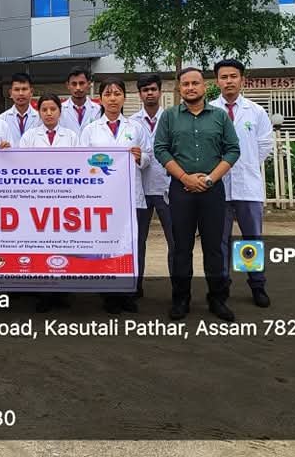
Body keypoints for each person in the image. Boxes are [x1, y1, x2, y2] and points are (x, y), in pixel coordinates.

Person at [154, 67, 240, 322]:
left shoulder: (220, 116)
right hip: (180, 191)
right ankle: (181, 299)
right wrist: (185, 178)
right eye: (185, 84)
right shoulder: (169, 117)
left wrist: (210, 178)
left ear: (204, 86)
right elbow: (161, 149)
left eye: (195, 83)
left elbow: (233, 150)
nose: (190, 88)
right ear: (179, 89)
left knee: (214, 247)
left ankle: (217, 299)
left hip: (213, 191)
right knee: (182, 247)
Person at [78, 77, 150, 314]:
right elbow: (81, 163)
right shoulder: (90, 130)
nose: (112, 99)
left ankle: (128, 293)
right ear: (100, 99)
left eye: (117, 94)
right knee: (107, 245)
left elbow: (149, 157)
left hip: (130, 196)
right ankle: (109, 294)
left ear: (124, 98)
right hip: (102, 198)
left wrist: (140, 157)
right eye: (108, 94)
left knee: (130, 245)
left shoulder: (136, 127)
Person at [211, 58, 274, 308]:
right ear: (217, 81)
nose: (229, 81)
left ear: (242, 80)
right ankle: (222, 286)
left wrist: (245, 164)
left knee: (251, 239)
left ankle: (257, 285)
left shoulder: (256, 111)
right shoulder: (209, 111)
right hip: (218, 187)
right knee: (219, 241)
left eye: (233, 76)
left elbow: (264, 145)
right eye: (224, 77)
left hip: (248, 186)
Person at [19, 93, 78, 312]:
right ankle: (43, 294)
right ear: (39, 112)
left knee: (63, 246)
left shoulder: (71, 137)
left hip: (65, 201)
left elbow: (79, 166)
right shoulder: (29, 137)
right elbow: (21, 167)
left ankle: (62, 294)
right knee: (41, 247)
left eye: (53, 109)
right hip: (38, 200)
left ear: (60, 111)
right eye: (44, 109)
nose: (49, 113)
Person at [130, 74, 175, 289]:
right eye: (145, 90)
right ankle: (135, 286)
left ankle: (178, 288)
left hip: (167, 188)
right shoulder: (131, 123)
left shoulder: (172, 118)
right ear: (140, 94)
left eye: (153, 89)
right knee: (137, 241)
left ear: (160, 92)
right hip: (140, 189)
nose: (149, 93)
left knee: (175, 241)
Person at [0, 72, 42, 147]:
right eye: (17, 89)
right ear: (11, 93)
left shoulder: (40, 119)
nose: (21, 93)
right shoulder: (1, 120)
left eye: (24, 89)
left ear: (31, 92)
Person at [60, 67, 102, 136]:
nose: (78, 88)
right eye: (74, 84)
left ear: (89, 84)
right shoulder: (60, 110)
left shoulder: (98, 110)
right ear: (68, 85)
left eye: (81, 83)